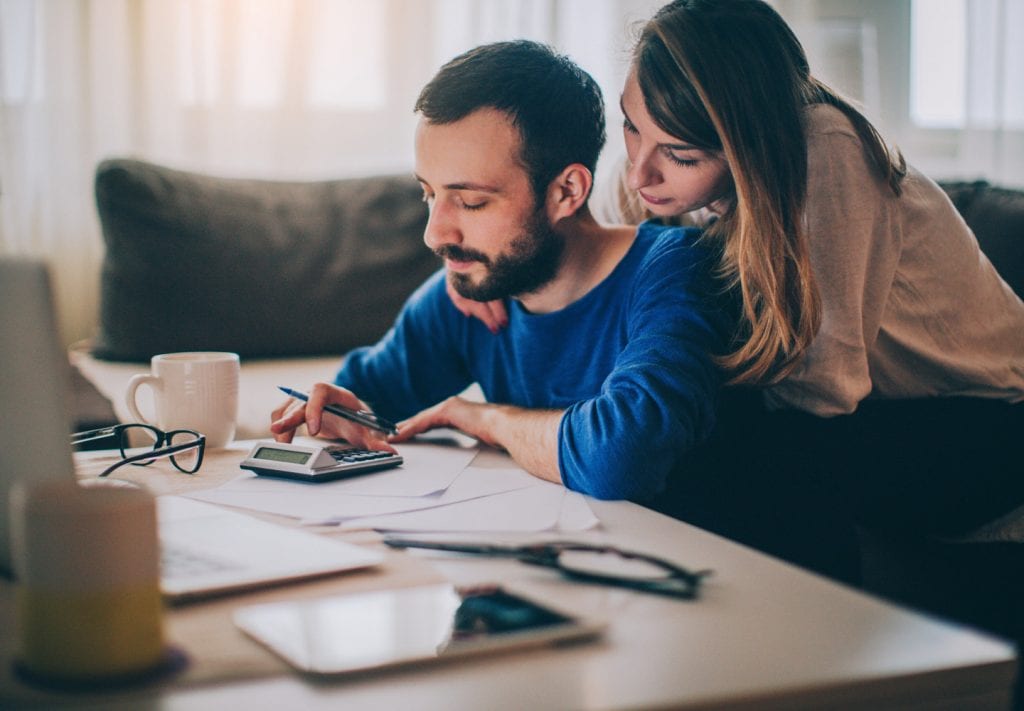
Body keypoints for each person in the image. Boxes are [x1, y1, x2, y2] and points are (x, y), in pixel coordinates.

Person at [449, 0, 1024, 581]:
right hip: (872, 414)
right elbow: (585, 242)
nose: (639, 172)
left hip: (985, 417)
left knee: (705, 441)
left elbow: (822, 390)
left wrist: (640, 410)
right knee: (659, 422)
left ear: (750, 146)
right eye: (631, 126)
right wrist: (486, 265)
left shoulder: (826, 152)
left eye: (680, 155)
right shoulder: (656, 169)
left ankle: (802, 643)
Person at [270, 40, 730, 509]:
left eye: (471, 202)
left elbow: (621, 459)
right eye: (429, 194)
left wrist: (484, 419)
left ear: (566, 192)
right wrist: (332, 409)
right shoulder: (472, 289)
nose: (434, 234)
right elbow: (366, 398)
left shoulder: (676, 271)